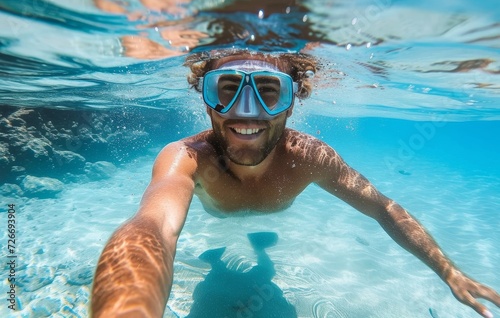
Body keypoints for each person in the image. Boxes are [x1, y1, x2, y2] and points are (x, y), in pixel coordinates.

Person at [91, 49, 500, 318]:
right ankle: (223, 261)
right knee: (253, 276)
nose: (246, 113)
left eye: (269, 93)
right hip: (220, 213)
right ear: (205, 98)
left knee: (261, 275)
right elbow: (153, 228)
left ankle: (248, 255)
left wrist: (448, 271)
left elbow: (383, 207)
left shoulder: (310, 158)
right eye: (228, 91)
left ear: (292, 101)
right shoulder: (188, 157)